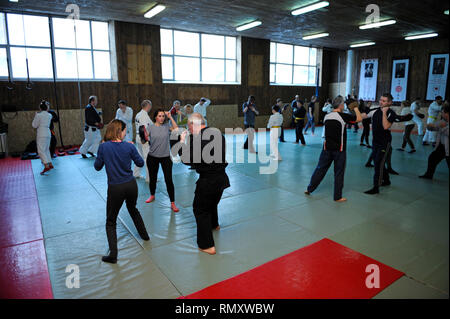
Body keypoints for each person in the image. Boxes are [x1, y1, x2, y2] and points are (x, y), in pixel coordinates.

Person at [94, 119, 149, 264]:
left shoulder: (104, 147)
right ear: (120, 131)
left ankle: (113, 255)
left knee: (111, 221)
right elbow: (140, 163)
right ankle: (145, 236)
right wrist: (132, 149)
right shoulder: (128, 147)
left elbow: (97, 167)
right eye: (125, 130)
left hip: (116, 188)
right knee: (133, 209)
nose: (126, 133)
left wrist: (102, 152)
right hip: (131, 185)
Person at [178, 113, 230, 255]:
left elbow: (187, 160)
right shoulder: (217, 133)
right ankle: (215, 225)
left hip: (208, 180)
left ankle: (207, 245)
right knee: (212, 203)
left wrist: (182, 143)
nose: (189, 131)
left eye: (189, 128)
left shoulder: (198, 140)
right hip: (222, 179)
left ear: (192, 125)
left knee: (200, 210)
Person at [305, 95, 362, 202]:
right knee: (339, 172)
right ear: (341, 105)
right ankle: (337, 197)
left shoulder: (327, 116)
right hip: (339, 150)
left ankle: (309, 189)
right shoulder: (343, 116)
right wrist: (355, 108)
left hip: (326, 148)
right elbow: (358, 119)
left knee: (320, 169)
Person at [143, 108, 180, 212]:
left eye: (163, 116)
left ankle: (172, 202)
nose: (162, 118)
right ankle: (152, 195)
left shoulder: (167, 127)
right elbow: (143, 140)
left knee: (169, 180)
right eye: (159, 116)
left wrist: (170, 117)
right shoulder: (150, 127)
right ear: (155, 117)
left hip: (165, 158)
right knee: (153, 178)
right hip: (152, 157)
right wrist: (143, 136)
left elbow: (176, 130)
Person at [363, 93, 399, 195]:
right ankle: (386, 180)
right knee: (378, 161)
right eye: (380, 100)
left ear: (390, 103)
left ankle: (376, 187)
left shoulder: (391, 113)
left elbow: (386, 126)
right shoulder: (374, 111)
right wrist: (355, 110)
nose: (381, 102)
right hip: (375, 142)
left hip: (385, 142)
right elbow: (362, 116)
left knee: (378, 163)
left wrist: (384, 113)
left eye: (384, 101)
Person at [419, 104, 449, 179]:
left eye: (442, 112)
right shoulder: (443, 121)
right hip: (443, 146)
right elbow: (433, 127)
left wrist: (441, 128)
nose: (441, 114)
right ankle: (429, 175)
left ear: (446, 113)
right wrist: (430, 126)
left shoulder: (444, 123)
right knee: (433, 158)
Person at [133, 99, 153, 182]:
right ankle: (149, 178)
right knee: (148, 158)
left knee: (140, 156)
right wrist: (145, 139)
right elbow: (143, 129)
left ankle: (135, 173)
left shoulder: (139, 114)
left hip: (138, 138)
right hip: (143, 138)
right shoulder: (144, 115)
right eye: (150, 106)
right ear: (148, 106)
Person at [32, 100, 53, 175]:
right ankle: (50, 164)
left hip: (41, 133)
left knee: (41, 150)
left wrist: (35, 116)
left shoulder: (38, 115)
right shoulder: (50, 115)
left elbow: (34, 125)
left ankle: (46, 165)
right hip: (48, 132)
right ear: (47, 107)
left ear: (40, 108)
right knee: (46, 149)